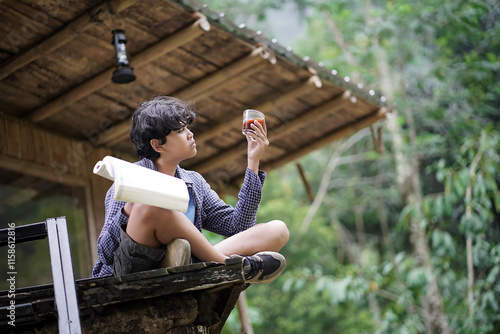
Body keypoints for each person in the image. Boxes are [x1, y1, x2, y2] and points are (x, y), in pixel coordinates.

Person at [92, 96, 289, 284]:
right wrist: (130, 204)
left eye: (187, 127)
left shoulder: (194, 182)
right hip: (135, 270)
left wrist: (253, 162)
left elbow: (237, 227)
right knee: (155, 203)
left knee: (277, 230)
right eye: (180, 130)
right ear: (158, 144)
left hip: (189, 265)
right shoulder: (130, 176)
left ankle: (208, 266)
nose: (190, 134)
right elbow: (106, 253)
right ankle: (227, 266)